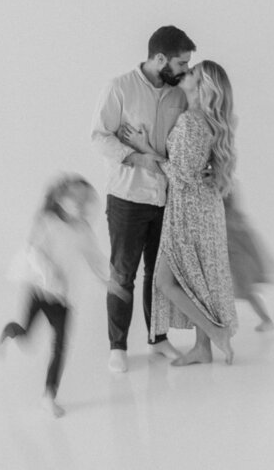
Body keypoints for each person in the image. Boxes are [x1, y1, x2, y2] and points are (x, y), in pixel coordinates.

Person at [91, 25, 196, 373]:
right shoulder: (119, 87)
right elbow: (99, 136)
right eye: (181, 63)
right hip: (126, 197)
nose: (185, 70)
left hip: (166, 199)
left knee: (159, 274)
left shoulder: (179, 95)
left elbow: (181, 144)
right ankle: (117, 346)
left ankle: (158, 338)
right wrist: (138, 157)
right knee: (123, 273)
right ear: (160, 58)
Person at [121, 60, 238, 366]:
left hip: (190, 210)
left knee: (165, 280)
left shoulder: (191, 121)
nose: (184, 75)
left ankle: (215, 333)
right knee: (196, 279)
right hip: (202, 206)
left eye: (192, 74)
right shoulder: (204, 121)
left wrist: (145, 151)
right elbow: (192, 168)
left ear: (202, 88)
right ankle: (203, 347)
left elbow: (181, 173)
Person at [0, 174, 128, 417]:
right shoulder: (48, 222)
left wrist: (110, 281)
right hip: (39, 291)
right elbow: (33, 251)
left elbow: (94, 258)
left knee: (60, 347)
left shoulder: (82, 229)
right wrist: (50, 275)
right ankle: (8, 331)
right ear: (60, 199)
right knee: (25, 336)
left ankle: (48, 396)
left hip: (64, 299)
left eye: (84, 200)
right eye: (74, 198)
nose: (79, 204)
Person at [223, 189, 274, 331]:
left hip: (237, 263)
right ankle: (265, 320)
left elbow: (244, 244)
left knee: (246, 292)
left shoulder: (231, 221)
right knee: (244, 293)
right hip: (233, 262)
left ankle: (266, 320)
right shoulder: (233, 219)